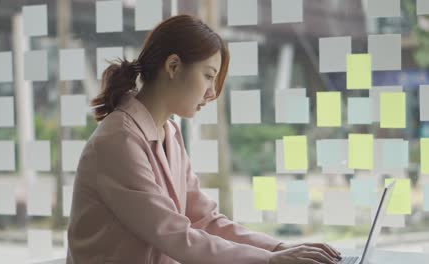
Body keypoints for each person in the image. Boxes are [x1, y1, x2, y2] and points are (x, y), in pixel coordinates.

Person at [66, 14, 342, 264]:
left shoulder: (169, 133)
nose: (212, 93)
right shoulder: (118, 141)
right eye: (208, 76)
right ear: (173, 66)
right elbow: (175, 234)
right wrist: (272, 261)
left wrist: (279, 249)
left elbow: (204, 219)